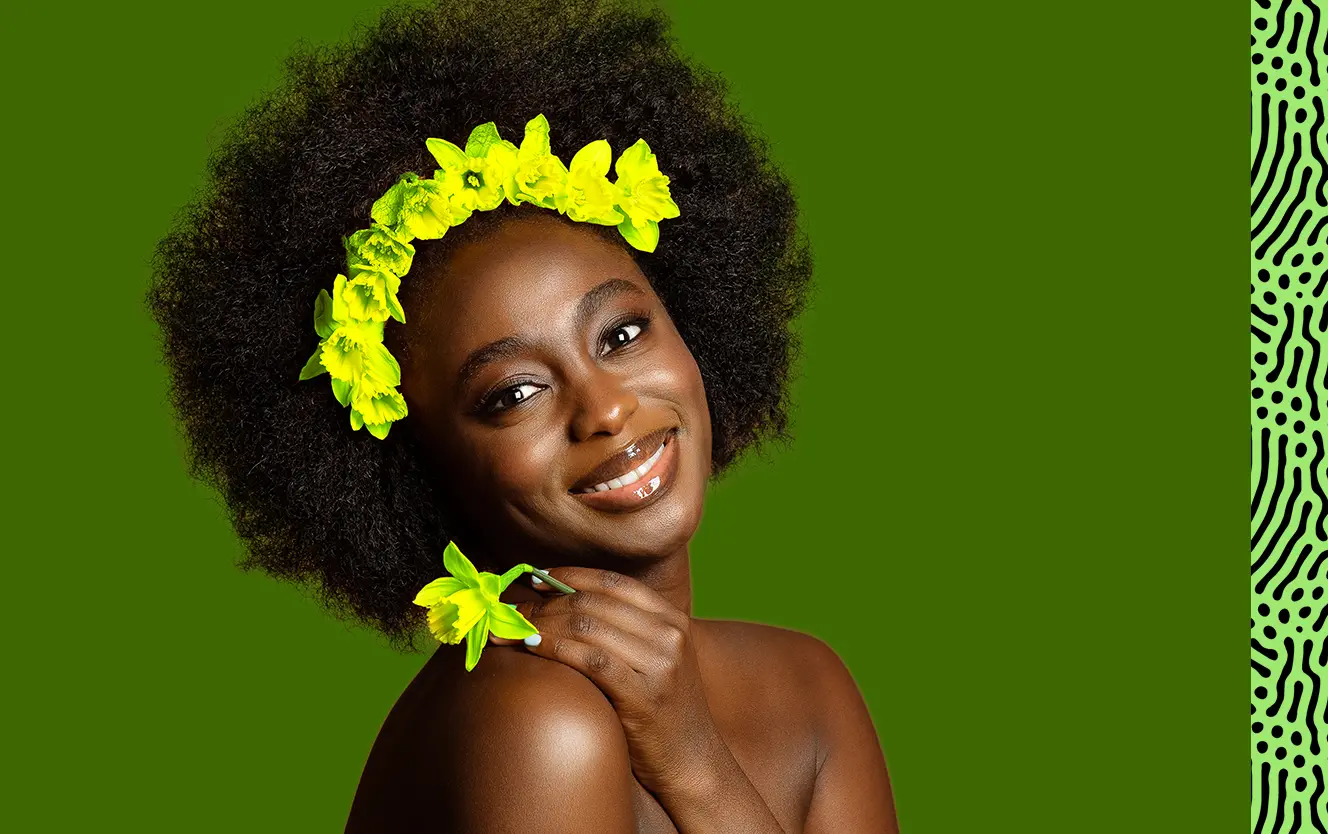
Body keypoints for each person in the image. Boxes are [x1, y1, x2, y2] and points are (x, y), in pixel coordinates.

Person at [146, 0, 897, 830]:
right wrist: (692, 768)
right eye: (513, 394)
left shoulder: (808, 682)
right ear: (415, 465)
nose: (606, 407)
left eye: (621, 333)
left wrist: (695, 757)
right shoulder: (536, 723)